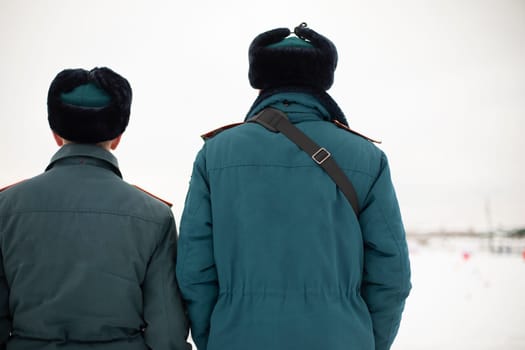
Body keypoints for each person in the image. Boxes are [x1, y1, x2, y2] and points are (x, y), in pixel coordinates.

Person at [176, 23, 412, 350]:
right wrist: (366, 341)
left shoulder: (215, 154)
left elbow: (194, 270)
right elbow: (392, 275)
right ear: (321, 82)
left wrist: (214, 338)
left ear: (260, 84)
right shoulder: (368, 157)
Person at [0, 67, 191, 350]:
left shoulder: (6, 208)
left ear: (55, 132)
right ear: (118, 136)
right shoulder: (155, 215)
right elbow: (167, 335)